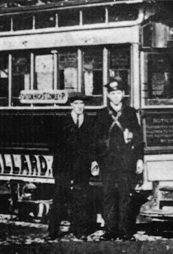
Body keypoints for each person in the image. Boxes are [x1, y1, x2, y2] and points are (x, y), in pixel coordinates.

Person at [93, 78, 144, 241]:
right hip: (107, 161)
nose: (115, 96)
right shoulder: (101, 114)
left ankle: (125, 231)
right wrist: (95, 160)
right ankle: (110, 230)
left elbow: (138, 138)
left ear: (123, 94)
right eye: (112, 93)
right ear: (108, 95)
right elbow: (94, 139)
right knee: (108, 195)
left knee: (125, 196)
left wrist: (139, 159)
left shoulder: (130, 112)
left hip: (125, 161)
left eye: (118, 93)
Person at [48, 92, 95, 240]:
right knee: (59, 198)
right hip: (63, 166)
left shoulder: (89, 121)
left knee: (81, 198)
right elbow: (53, 144)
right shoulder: (62, 121)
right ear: (71, 105)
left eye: (82, 104)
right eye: (76, 104)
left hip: (82, 167)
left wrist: (91, 160)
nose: (79, 106)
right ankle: (53, 231)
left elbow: (93, 144)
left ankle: (79, 230)